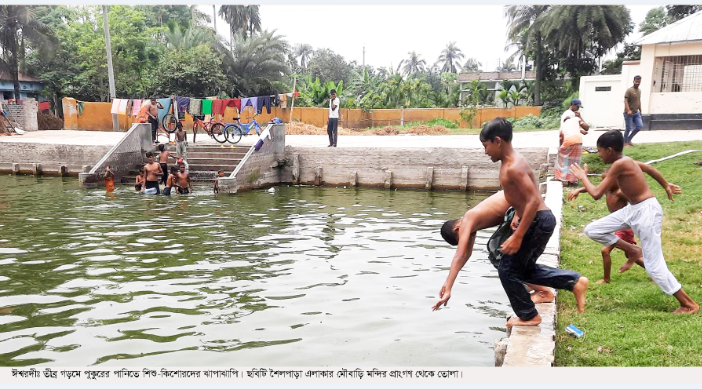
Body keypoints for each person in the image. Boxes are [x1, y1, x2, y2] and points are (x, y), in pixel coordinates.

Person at [569, 130, 698, 314]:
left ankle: (689, 304)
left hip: (646, 212)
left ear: (610, 150)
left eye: (600, 151)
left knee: (654, 266)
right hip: (632, 210)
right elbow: (650, 169)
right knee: (593, 229)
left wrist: (583, 177)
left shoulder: (620, 164)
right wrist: (666, 185)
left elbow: (596, 194)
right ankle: (632, 249)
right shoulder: (625, 162)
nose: (598, 155)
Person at [479, 118, 589, 327]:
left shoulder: (512, 166)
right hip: (539, 219)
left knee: (507, 269)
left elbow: (531, 200)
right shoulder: (514, 161)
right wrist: (519, 215)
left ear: (497, 141)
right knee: (522, 269)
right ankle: (574, 282)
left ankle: (529, 315)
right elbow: (532, 190)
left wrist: (518, 235)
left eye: (486, 146)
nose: (486, 152)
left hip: (537, 221)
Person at [433, 191, 558, 311]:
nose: (467, 238)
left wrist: (448, 286)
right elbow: (465, 255)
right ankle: (538, 287)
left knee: (500, 258)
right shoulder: (472, 225)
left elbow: (459, 255)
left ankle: (544, 292)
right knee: (505, 259)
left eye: (461, 239)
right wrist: (448, 286)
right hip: (527, 212)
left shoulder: (467, 219)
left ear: (457, 229)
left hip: (523, 208)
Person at [568, 165, 681, 283]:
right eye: (603, 181)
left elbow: (641, 197)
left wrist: (665, 188)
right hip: (617, 224)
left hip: (625, 226)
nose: (604, 184)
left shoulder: (620, 192)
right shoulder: (607, 188)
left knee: (605, 251)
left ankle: (606, 279)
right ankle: (655, 272)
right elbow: (594, 189)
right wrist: (579, 190)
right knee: (630, 254)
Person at [554, 99, 589, 186]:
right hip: (578, 141)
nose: (578, 109)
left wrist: (560, 147)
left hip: (568, 140)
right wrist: (580, 118)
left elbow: (563, 134)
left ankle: (560, 177)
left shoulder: (566, 122)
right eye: (577, 107)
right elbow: (586, 127)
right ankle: (572, 181)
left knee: (562, 160)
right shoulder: (573, 116)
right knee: (574, 161)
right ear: (573, 105)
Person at [624, 75, 643, 147]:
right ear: (633, 81)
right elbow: (625, 101)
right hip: (628, 113)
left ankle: (629, 139)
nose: (637, 83)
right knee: (628, 128)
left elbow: (639, 100)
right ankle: (625, 142)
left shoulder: (639, 90)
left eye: (639, 81)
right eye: (636, 81)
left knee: (639, 126)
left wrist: (640, 110)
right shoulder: (629, 90)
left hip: (636, 113)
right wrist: (628, 110)